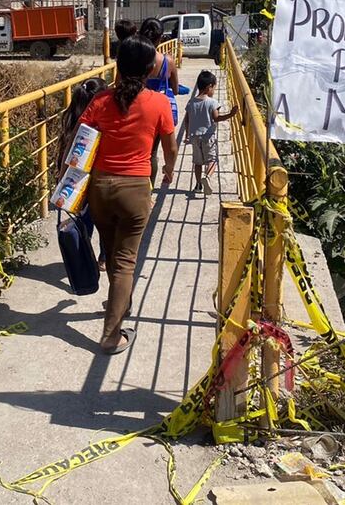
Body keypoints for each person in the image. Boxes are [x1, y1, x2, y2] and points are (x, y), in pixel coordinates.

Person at [79, 35, 177, 354]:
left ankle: (122, 302)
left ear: (118, 66)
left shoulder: (99, 102)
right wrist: (168, 170)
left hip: (100, 189)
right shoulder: (159, 103)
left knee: (111, 253)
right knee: (124, 263)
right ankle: (111, 335)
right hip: (135, 190)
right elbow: (170, 147)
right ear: (150, 69)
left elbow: (79, 143)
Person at [57, 77, 108, 270]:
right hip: (97, 177)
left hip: (75, 181)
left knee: (83, 222)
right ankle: (103, 257)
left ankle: (85, 256)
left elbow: (63, 152)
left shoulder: (72, 117)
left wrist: (61, 177)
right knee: (103, 220)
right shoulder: (98, 120)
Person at [183, 70, 237, 196]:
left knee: (197, 162)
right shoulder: (212, 102)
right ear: (209, 87)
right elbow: (216, 118)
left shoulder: (191, 102)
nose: (214, 91)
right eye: (214, 88)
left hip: (195, 137)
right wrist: (231, 114)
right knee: (212, 160)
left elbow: (187, 119)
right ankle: (207, 177)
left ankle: (198, 185)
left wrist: (187, 134)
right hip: (208, 136)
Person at [139, 17, 179, 187]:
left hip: (139, 105)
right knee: (152, 154)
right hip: (159, 110)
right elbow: (175, 90)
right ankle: (149, 189)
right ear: (160, 37)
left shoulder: (136, 59)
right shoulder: (167, 61)